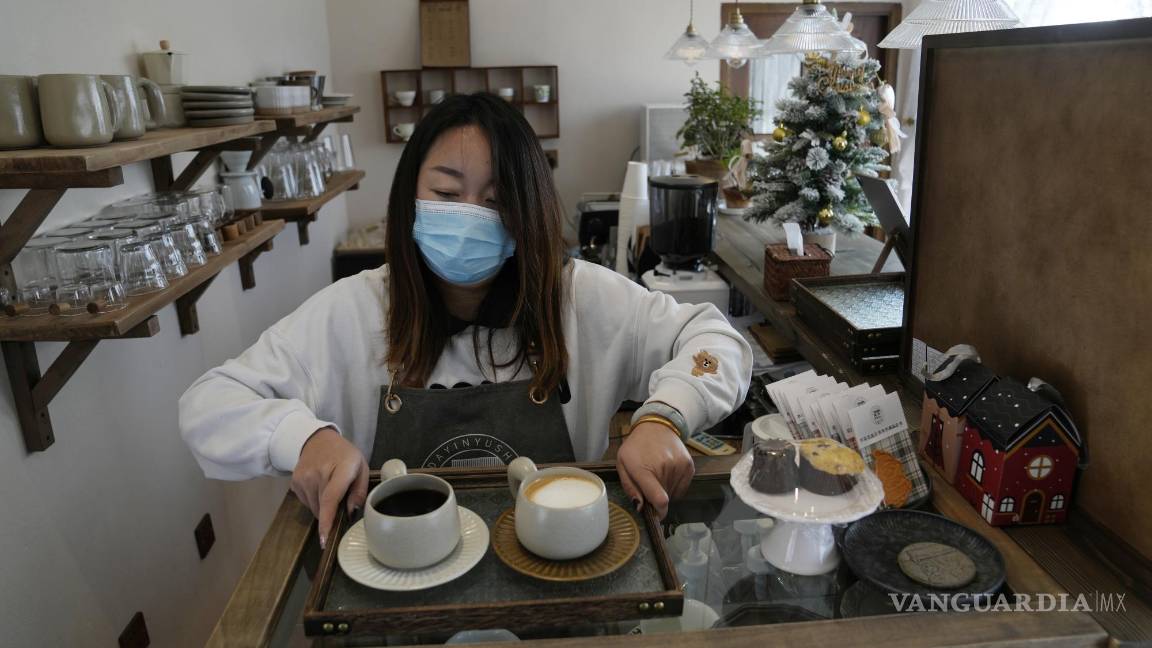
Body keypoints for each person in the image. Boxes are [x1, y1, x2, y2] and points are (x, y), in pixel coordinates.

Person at [180, 93, 752, 548]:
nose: (470, 217)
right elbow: (210, 403)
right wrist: (303, 439)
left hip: (557, 573)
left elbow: (714, 343)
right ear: (410, 196)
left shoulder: (580, 298)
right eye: (447, 192)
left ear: (528, 209)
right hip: (400, 581)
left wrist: (666, 417)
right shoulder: (352, 312)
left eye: (497, 201)